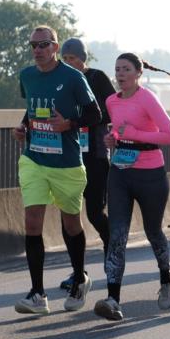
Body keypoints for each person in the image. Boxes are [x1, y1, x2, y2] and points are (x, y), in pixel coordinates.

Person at [12, 26, 101, 315]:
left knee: (71, 223)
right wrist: (23, 126)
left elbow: (95, 114)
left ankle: (80, 277)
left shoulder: (73, 77)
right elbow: (33, 107)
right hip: (34, 159)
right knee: (32, 220)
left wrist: (70, 124)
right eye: (33, 45)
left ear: (55, 46)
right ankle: (38, 294)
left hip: (67, 163)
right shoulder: (27, 76)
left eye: (44, 45)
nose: (37, 50)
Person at [93, 53, 170, 320]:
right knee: (117, 235)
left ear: (138, 73)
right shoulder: (110, 101)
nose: (120, 74)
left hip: (150, 174)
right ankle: (113, 298)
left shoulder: (147, 99)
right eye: (117, 69)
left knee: (153, 231)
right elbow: (119, 131)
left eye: (126, 69)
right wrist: (113, 139)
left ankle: (166, 276)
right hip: (120, 173)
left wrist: (134, 135)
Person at [57, 38, 117, 291]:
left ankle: (112, 252)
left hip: (95, 156)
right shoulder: (61, 79)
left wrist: (78, 116)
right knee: (67, 218)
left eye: (73, 59)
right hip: (68, 156)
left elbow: (110, 109)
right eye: (65, 59)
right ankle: (77, 272)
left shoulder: (97, 77)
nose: (69, 63)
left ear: (83, 59)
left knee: (94, 213)